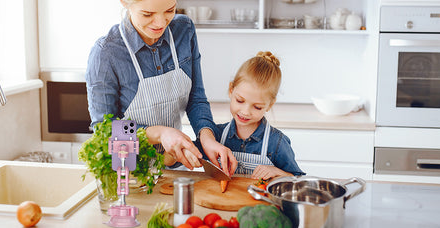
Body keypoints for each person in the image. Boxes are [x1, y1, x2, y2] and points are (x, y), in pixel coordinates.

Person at [85, 0, 237, 173]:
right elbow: (104, 130)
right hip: (129, 174)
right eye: (147, 14)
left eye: (169, 10)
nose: (160, 23)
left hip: (173, 166)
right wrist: (160, 133)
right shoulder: (106, 53)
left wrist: (207, 138)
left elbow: (196, 98)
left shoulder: (184, 30)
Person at [199, 51, 305, 180]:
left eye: (257, 107)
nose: (245, 111)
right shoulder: (216, 135)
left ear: (270, 105)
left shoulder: (277, 143)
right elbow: (187, 155)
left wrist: (277, 171)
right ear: (231, 90)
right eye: (240, 101)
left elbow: (298, 180)